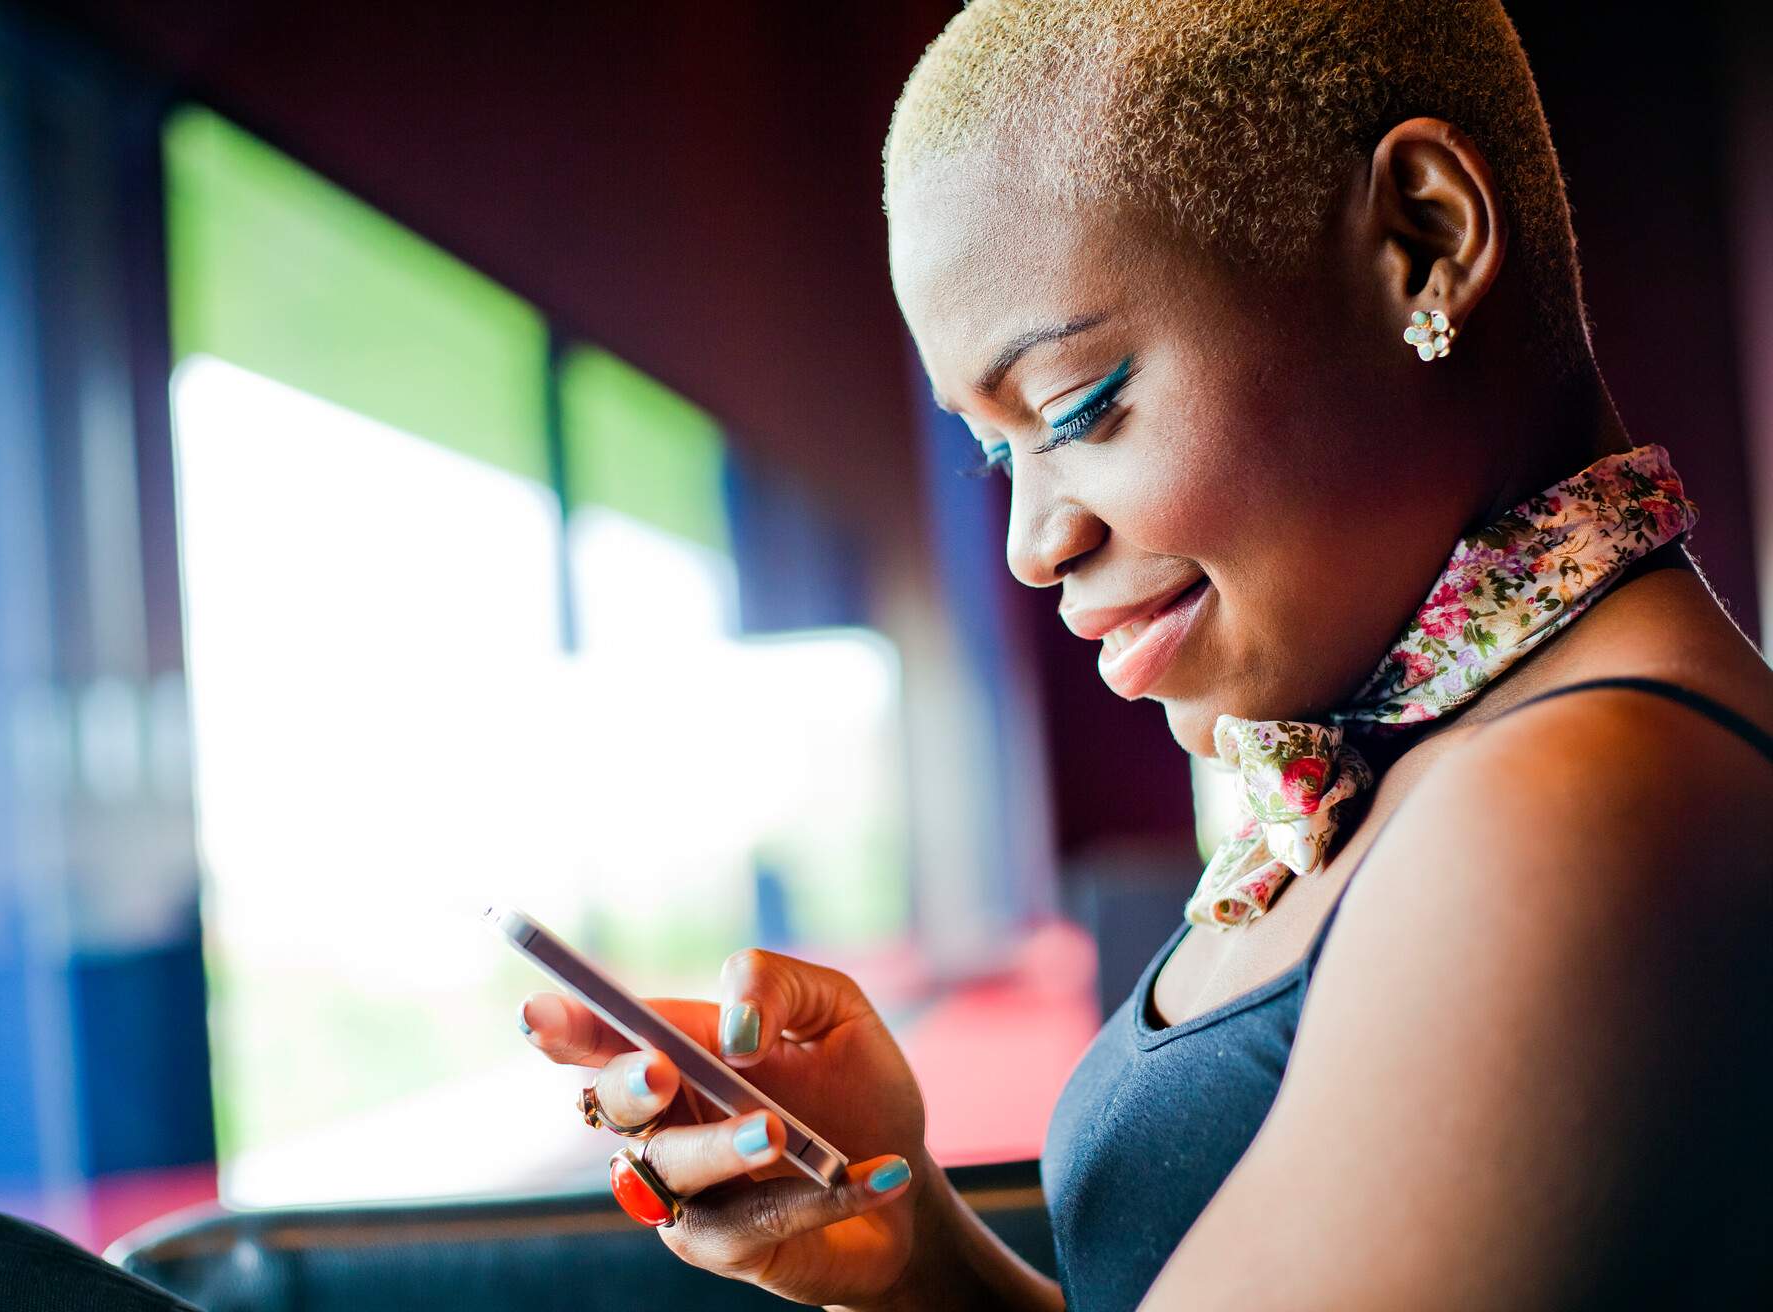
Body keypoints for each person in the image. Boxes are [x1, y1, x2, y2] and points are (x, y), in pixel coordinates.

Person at [519, 1, 1773, 1307]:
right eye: (997, 450)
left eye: (1077, 407)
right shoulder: (1424, 760)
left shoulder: (1578, 807)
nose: (1031, 542)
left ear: (1425, 239)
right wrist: (913, 1255)